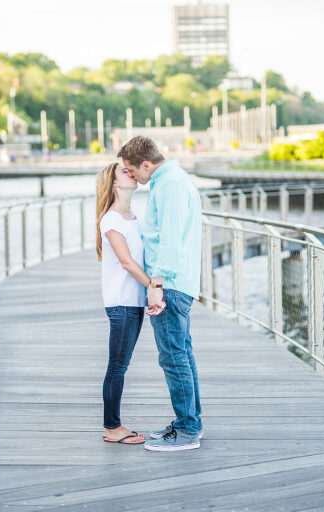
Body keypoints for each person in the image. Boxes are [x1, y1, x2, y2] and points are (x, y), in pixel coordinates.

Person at [118, 136, 203, 451]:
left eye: (131, 170)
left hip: (169, 284)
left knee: (173, 357)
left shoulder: (169, 186)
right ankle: (188, 421)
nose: (132, 177)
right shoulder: (172, 181)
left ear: (145, 164)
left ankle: (188, 431)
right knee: (182, 353)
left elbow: (168, 240)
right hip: (176, 281)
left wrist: (155, 286)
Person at [95, 162, 163, 445]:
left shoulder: (133, 218)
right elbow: (126, 262)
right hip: (122, 304)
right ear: (113, 183)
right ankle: (112, 427)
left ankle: (113, 425)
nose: (131, 172)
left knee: (121, 365)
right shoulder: (111, 220)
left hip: (133, 303)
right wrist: (153, 286)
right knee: (117, 367)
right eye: (124, 172)